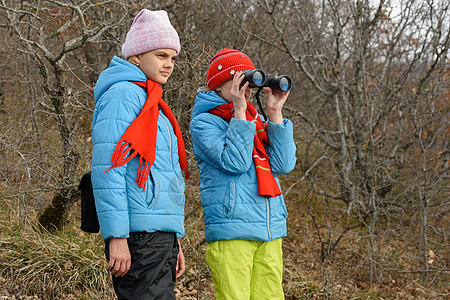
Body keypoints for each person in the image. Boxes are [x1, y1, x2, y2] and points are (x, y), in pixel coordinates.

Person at [91, 9, 189, 299]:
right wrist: (117, 236)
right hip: (138, 237)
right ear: (136, 55)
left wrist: (174, 240)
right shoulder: (123, 94)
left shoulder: (152, 99)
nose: (169, 64)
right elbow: (109, 168)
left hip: (158, 236)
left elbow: (163, 174)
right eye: (161, 55)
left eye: (173, 58)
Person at [190, 48, 297, 299]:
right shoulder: (205, 122)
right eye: (240, 80)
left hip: (269, 229)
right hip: (232, 229)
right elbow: (236, 162)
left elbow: (283, 164)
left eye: (249, 82)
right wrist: (239, 112)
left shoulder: (255, 120)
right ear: (220, 85)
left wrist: (274, 113)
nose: (247, 89)